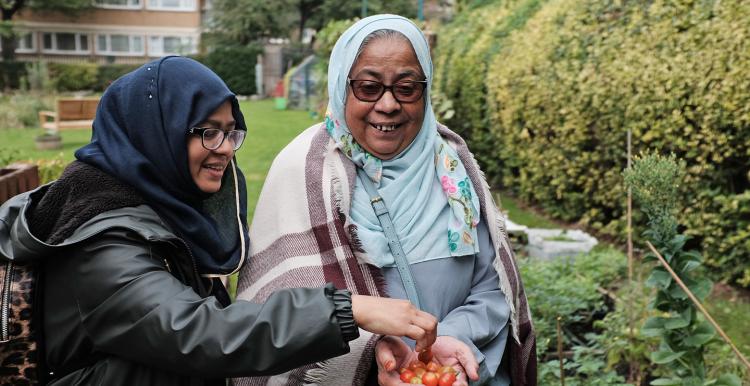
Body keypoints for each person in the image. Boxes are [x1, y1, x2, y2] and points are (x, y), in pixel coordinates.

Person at [0, 56, 438, 386]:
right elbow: (199, 333)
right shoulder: (102, 244)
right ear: (157, 133)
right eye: (209, 131)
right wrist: (349, 308)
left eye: (232, 131)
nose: (226, 148)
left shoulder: (158, 204)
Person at [233, 15, 536, 386]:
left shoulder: (452, 165)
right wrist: (368, 353)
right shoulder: (304, 171)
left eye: (407, 88)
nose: (388, 104)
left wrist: (453, 339)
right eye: (368, 87)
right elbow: (277, 309)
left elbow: (493, 287)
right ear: (342, 86)